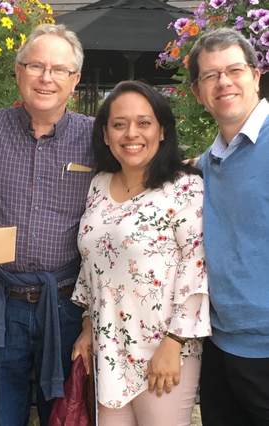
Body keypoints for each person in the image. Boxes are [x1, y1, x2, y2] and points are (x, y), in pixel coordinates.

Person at [0, 24, 94, 426]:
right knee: (2, 415)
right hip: (2, 304)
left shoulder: (96, 138)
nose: (46, 77)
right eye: (36, 65)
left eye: (59, 69)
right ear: (18, 71)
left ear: (74, 80)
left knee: (65, 417)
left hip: (67, 307)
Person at [71, 80, 211, 426]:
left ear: (162, 130)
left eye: (144, 123)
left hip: (163, 352)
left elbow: (197, 267)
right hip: (109, 350)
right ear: (105, 134)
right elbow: (93, 263)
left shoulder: (185, 186)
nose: (131, 133)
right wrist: (88, 326)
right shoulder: (99, 185)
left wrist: (174, 343)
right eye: (119, 124)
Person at [188, 28, 269, 426]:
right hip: (220, 343)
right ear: (198, 93)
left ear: (256, 76)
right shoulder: (210, 162)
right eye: (210, 75)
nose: (224, 82)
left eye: (234, 70)